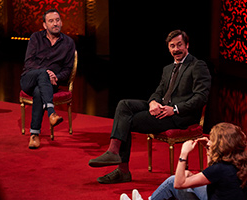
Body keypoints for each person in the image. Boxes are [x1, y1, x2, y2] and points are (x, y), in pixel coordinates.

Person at [88, 30, 211, 184]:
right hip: (162, 108)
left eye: (179, 45)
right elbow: (158, 91)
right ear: (168, 48)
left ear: (187, 45)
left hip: (180, 116)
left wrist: (174, 109)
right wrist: (153, 102)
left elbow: (201, 97)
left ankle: (123, 170)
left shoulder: (197, 65)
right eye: (172, 46)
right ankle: (113, 151)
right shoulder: (167, 69)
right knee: (124, 105)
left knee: (127, 121)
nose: (176, 49)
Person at [120, 122, 247, 200]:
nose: (210, 141)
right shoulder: (236, 163)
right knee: (188, 175)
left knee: (173, 182)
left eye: (213, 140)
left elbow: (179, 183)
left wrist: (184, 153)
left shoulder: (220, 169)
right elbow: (210, 173)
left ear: (221, 144)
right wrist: (209, 149)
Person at [20, 8, 76, 149]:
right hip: (29, 78)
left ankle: (34, 135)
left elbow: (67, 70)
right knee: (42, 74)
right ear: (45, 25)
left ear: (61, 22)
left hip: (50, 83)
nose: (55, 23)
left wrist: (55, 76)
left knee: (40, 92)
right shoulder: (35, 38)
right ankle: (51, 112)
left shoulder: (68, 43)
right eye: (51, 21)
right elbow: (29, 62)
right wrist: (46, 72)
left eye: (57, 20)